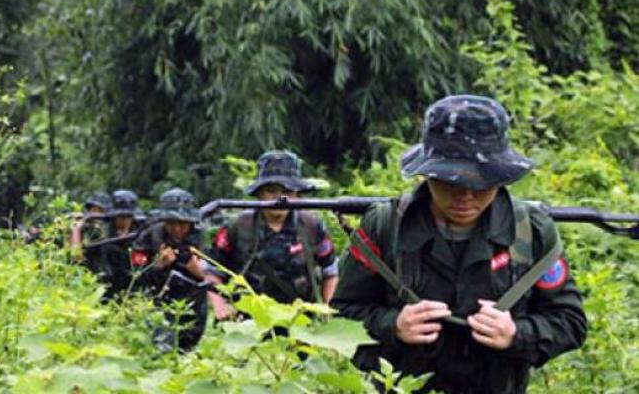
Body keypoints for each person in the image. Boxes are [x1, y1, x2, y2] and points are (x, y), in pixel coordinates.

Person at [331, 95, 587, 393]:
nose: (465, 195)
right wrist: (393, 325)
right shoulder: (386, 227)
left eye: (481, 182)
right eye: (450, 181)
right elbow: (341, 314)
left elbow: (570, 322)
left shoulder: (530, 231)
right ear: (427, 173)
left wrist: (516, 334)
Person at [204, 151, 339, 321]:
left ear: (296, 194)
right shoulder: (238, 227)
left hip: (301, 323)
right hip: (249, 323)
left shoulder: (311, 226)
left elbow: (331, 271)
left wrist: (327, 309)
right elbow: (211, 271)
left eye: (287, 191)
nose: (279, 198)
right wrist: (220, 306)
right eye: (271, 191)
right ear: (259, 193)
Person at [130, 188, 209, 352]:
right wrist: (158, 265)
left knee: (189, 350)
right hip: (159, 303)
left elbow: (219, 274)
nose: (177, 229)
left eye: (182, 223)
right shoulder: (150, 236)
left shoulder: (200, 238)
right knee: (162, 351)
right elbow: (135, 277)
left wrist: (199, 271)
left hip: (193, 305)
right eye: (172, 223)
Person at [82, 190, 141, 298]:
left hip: (131, 286)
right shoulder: (102, 231)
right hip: (106, 285)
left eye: (127, 217)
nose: (124, 221)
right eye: (120, 217)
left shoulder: (139, 231)